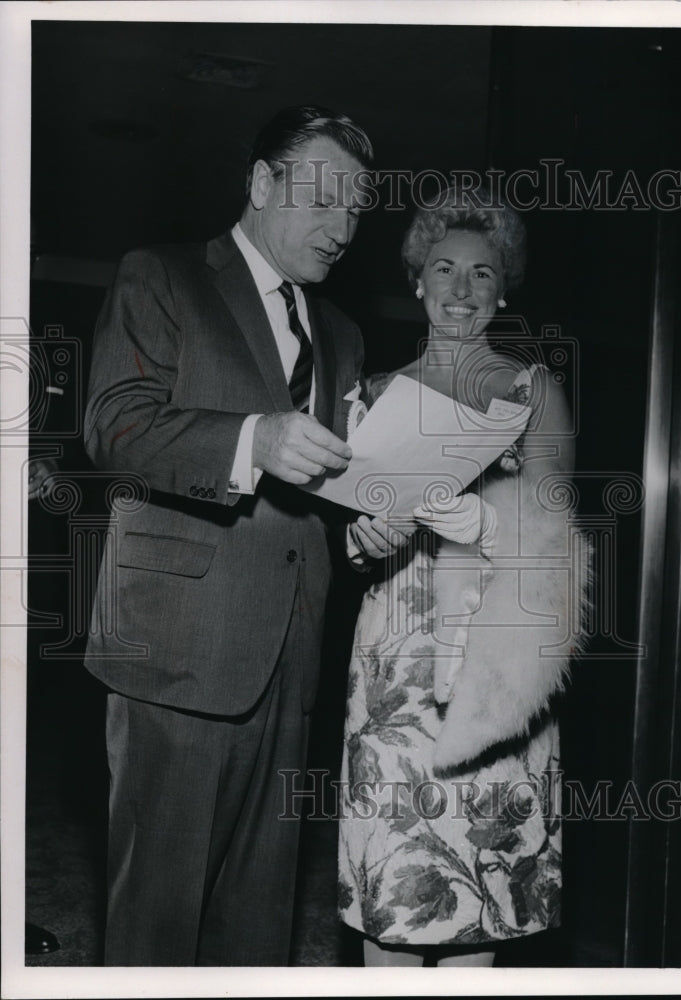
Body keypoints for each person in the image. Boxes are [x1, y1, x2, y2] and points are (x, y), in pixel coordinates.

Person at [83, 105, 388, 966]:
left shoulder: (344, 333)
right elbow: (114, 427)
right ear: (261, 184)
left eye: (358, 209)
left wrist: (378, 505)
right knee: (157, 921)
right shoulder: (163, 277)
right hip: (176, 652)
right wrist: (256, 438)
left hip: (291, 664)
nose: (342, 228)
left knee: (256, 930)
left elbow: (329, 482)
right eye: (325, 199)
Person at [337, 190, 589, 966]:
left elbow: (552, 533)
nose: (460, 288)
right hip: (394, 661)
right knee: (393, 893)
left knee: (479, 891)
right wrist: (360, 536)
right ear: (415, 280)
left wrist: (479, 521)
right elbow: (345, 536)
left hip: (494, 645)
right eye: (442, 268)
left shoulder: (532, 391)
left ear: (503, 288)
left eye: (482, 274)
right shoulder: (371, 393)